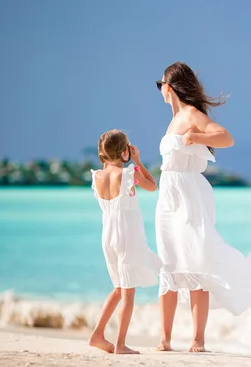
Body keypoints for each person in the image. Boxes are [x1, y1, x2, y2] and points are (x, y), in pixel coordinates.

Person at [155, 62, 251, 352]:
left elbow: (226, 138)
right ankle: (164, 339)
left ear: (169, 87)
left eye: (161, 86)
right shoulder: (174, 118)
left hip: (189, 193)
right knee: (168, 263)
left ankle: (197, 339)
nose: (161, 92)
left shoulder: (192, 115)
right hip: (168, 196)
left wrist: (196, 137)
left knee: (196, 262)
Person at [88, 129, 162, 354]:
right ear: (124, 152)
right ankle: (120, 344)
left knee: (119, 289)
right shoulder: (129, 174)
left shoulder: (98, 176)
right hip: (127, 236)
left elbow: (110, 170)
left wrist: (122, 159)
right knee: (128, 293)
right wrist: (137, 160)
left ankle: (97, 334)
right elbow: (152, 185)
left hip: (108, 236)